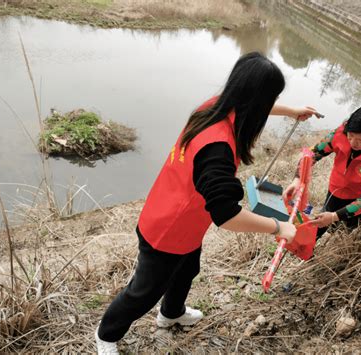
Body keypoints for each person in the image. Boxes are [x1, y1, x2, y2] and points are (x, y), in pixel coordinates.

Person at [95, 51, 320, 354]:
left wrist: (291, 111)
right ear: (255, 100)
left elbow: (255, 105)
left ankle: (171, 314)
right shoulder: (218, 148)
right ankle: (106, 335)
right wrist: (279, 227)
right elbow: (226, 215)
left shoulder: (215, 107)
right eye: (269, 99)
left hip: (181, 218)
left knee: (187, 270)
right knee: (144, 292)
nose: (268, 106)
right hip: (167, 231)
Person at [284, 106, 361, 238]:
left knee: (353, 226)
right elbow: (312, 154)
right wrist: (297, 179)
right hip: (337, 187)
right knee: (325, 219)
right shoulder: (342, 132)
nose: (353, 142)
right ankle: (310, 243)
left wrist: (334, 216)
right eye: (351, 136)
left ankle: (346, 239)